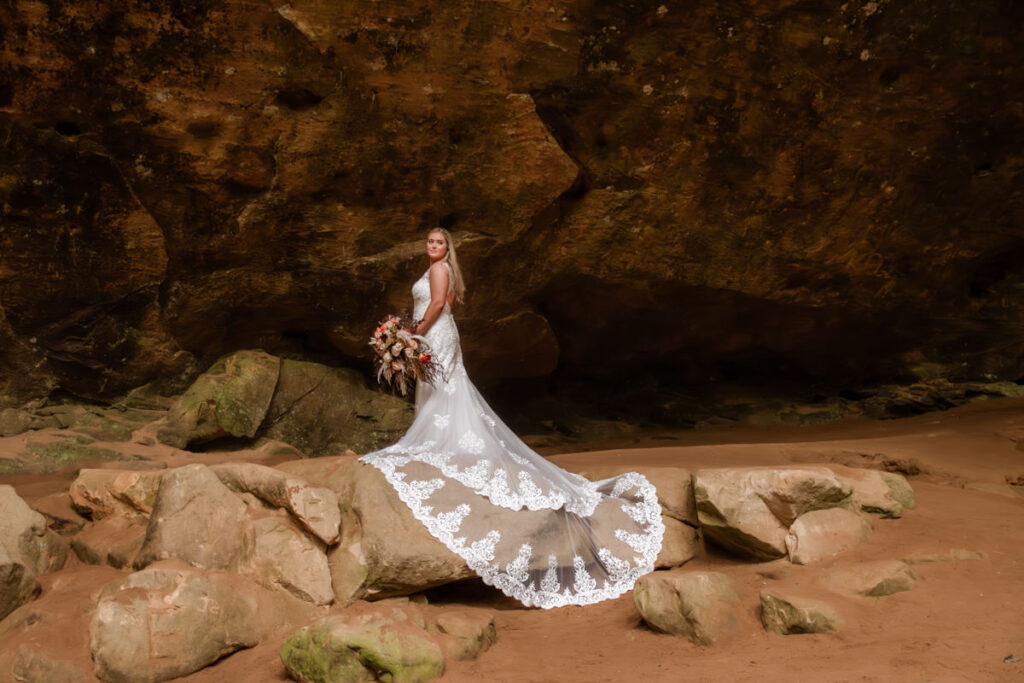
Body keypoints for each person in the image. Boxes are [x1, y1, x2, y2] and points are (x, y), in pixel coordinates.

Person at [360, 228, 664, 608]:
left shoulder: (439, 271)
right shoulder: (445, 268)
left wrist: (413, 332)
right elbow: (448, 303)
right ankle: (441, 438)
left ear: (446, 248)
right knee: (443, 387)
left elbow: (439, 303)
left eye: (438, 243)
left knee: (445, 388)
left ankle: (445, 441)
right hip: (438, 335)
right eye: (429, 242)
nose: (432, 248)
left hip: (434, 333)